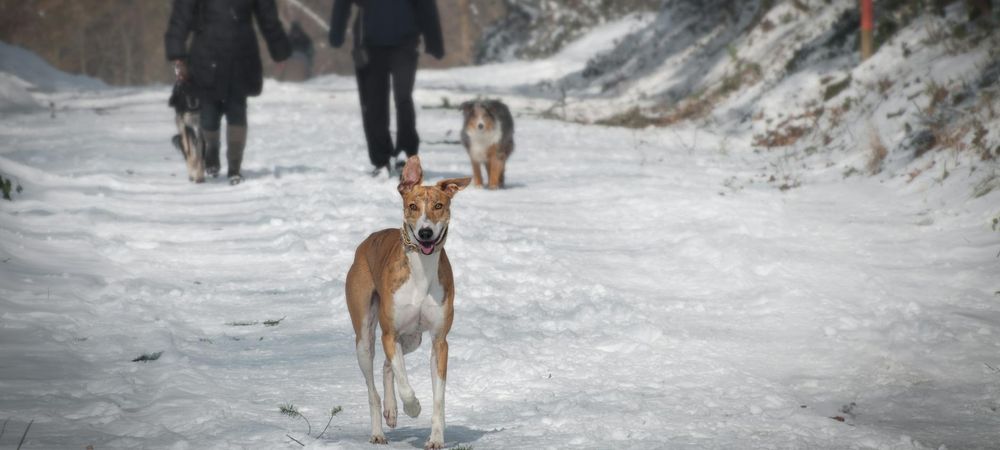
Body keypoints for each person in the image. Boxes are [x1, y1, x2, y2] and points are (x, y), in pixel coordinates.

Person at [165, 0, 292, 185]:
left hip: (227, 52)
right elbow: (182, 14)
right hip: (221, 52)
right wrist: (177, 52)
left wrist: (279, 50)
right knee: (219, 112)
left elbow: (267, 15)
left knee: (228, 109)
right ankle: (218, 157)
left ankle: (229, 164)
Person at [328, 0, 445, 178]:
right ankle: (381, 159)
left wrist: (434, 39)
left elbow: (424, 4)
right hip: (369, 42)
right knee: (374, 103)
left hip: (405, 40)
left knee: (403, 97)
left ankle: (405, 151)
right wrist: (337, 31)